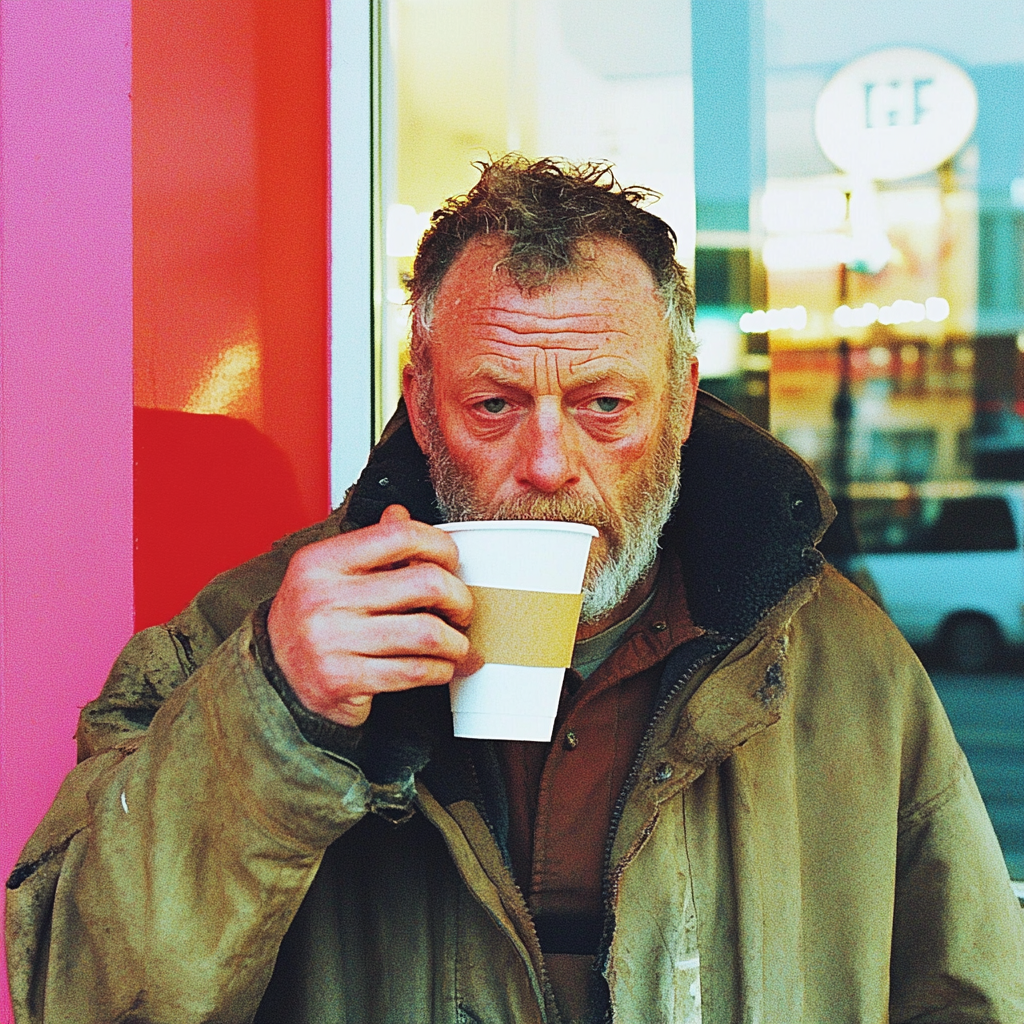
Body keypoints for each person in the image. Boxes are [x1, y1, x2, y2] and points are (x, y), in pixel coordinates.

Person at [6, 156, 1024, 1024]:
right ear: (420, 401)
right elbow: (78, 995)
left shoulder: (838, 659)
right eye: (493, 402)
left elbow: (971, 993)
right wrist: (277, 713)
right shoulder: (250, 637)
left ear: (677, 403)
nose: (546, 462)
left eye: (603, 405)